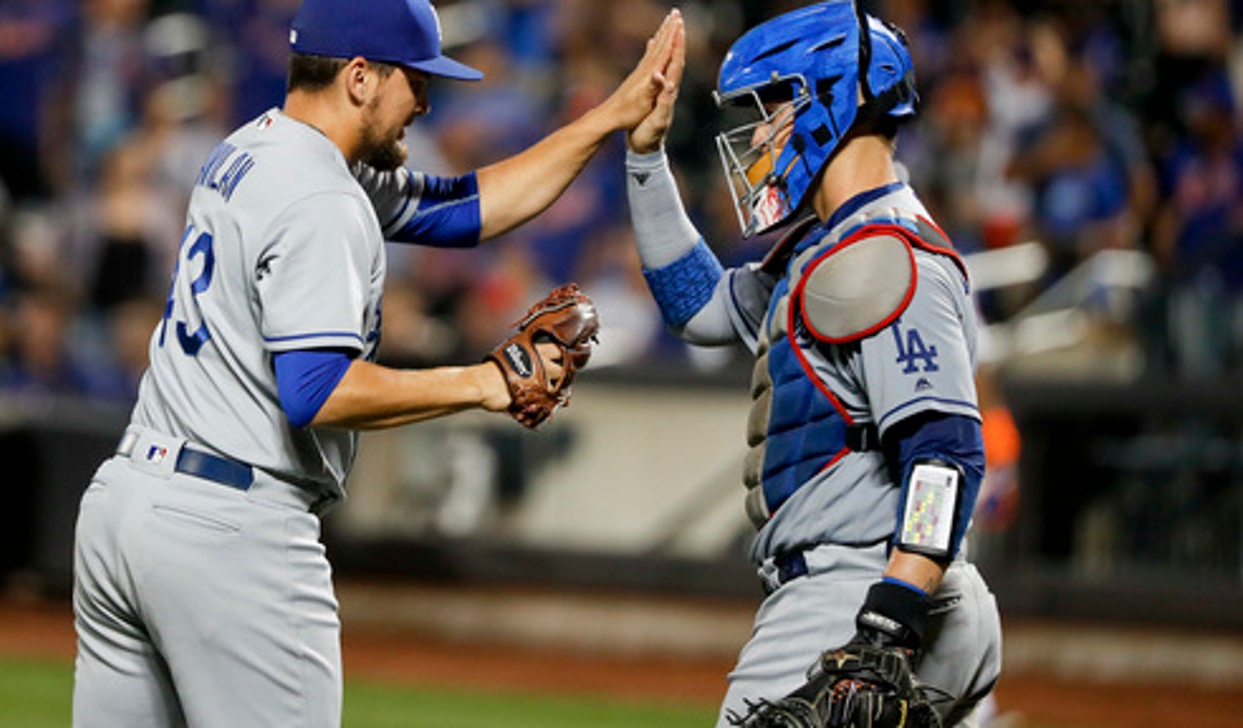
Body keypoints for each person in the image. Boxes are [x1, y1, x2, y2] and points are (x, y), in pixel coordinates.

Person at [70, 0, 684, 725]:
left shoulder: (254, 149)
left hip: (126, 508)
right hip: (231, 533)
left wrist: (608, 117)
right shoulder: (322, 196)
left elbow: (466, 209)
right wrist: (486, 383)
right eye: (414, 79)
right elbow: (316, 392)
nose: (425, 100)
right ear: (360, 77)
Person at [623, 3, 1001, 725]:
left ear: (832, 101)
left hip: (863, 587)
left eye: (773, 108)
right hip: (898, 585)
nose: (761, 135)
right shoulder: (829, 248)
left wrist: (887, 617)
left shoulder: (884, 258)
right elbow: (697, 306)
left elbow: (945, 458)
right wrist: (645, 160)